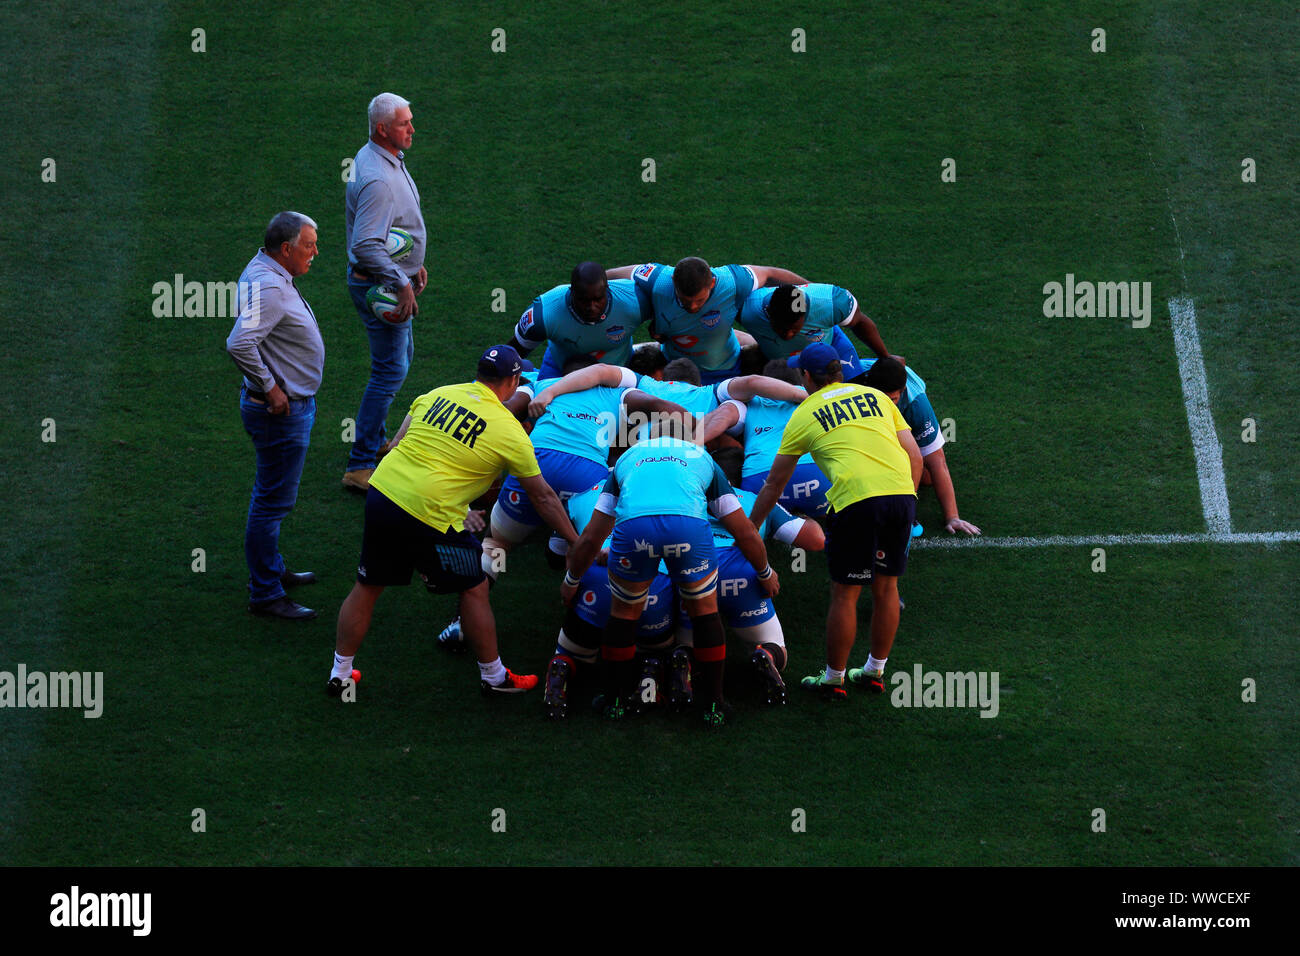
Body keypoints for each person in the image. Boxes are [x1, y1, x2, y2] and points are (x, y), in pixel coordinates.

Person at [328, 345, 578, 698]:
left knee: (367, 586)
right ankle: (493, 677)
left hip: (383, 493)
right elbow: (543, 497)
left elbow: (398, 444)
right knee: (475, 586)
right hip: (429, 513)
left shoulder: (437, 394)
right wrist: (574, 539)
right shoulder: (510, 430)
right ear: (513, 381)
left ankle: (340, 673)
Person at [561, 431, 778, 726]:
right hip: (687, 526)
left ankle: (614, 701)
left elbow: (591, 537)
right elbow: (744, 531)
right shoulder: (703, 459)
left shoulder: (627, 459)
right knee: (705, 611)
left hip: (635, 529)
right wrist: (765, 572)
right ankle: (714, 705)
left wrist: (571, 580)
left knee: (623, 613)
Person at [749, 344, 922, 700]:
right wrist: (909, 501)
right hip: (902, 495)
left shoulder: (805, 412)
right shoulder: (878, 398)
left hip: (857, 502)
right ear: (840, 372)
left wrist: (752, 526)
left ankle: (833, 678)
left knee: (845, 594)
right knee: (887, 589)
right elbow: (914, 454)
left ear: (807, 377)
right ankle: (875, 671)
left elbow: (774, 483)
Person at [226, 211, 325, 620]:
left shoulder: (263, 269)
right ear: (285, 249)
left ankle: (272, 569)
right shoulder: (268, 287)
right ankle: (265, 592)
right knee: (270, 503)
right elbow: (238, 343)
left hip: (283, 407)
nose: (315, 252)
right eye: (308, 245)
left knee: (271, 499)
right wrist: (271, 388)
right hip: (279, 413)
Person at [342, 92, 428, 493]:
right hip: (380, 286)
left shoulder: (377, 158)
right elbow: (365, 244)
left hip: (388, 277)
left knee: (399, 361)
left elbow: (394, 233)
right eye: (404, 123)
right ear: (383, 129)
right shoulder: (378, 179)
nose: (412, 128)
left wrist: (413, 264)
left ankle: (374, 442)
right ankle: (360, 465)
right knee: (389, 371)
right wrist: (400, 280)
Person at [606, 257, 809, 384]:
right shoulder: (658, 278)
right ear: (673, 283)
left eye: (700, 300)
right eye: (685, 301)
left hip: (727, 369)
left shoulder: (732, 280)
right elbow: (614, 274)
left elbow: (770, 273)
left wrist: (810, 290)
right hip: (676, 371)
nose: (693, 307)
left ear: (712, 283)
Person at [861, 358, 980, 536]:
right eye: (882, 399)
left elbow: (938, 462)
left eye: (892, 400)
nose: (887, 405)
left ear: (902, 392)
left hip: (906, 413)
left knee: (927, 477)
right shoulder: (852, 380)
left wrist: (952, 517)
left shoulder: (916, 404)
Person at [508, 262, 652, 379]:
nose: (591, 307)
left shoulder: (635, 300)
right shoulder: (544, 314)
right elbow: (511, 354)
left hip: (620, 372)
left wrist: (659, 330)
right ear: (572, 292)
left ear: (608, 289)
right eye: (584, 300)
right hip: (560, 371)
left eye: (598, 299)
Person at [739, 282, 899, 366]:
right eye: (781, 328)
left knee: (854, 390)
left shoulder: (831, 303)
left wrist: (885, 356)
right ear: (768, 312)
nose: (787, 335)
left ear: (806, 313)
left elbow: (860, 322)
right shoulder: (748, 310)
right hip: (782, 364)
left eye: (794, 328)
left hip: (830, 347)